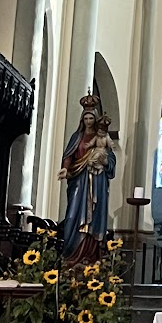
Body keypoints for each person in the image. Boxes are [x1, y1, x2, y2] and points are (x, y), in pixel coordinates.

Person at [57, 95, 115, 257]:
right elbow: (68, 155)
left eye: (91, 118)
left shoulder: (102, 137)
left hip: (97, 180)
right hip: (78, 179)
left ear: (95, 119)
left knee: (95, 215)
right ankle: (71, 253)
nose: (88, 121)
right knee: (72, 215)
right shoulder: (76, 137)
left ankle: (92, 256)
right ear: (82, 120)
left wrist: (105, 161)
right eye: (86, 118)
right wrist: (65, 169)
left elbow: (111, 158)